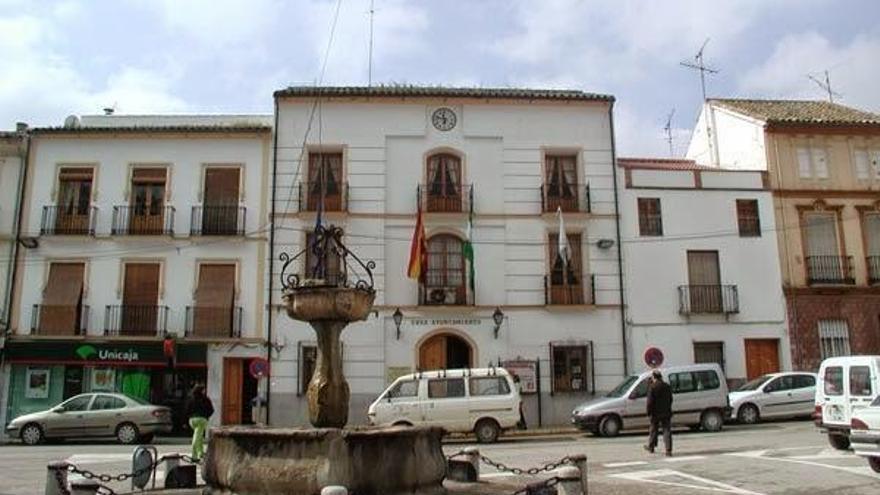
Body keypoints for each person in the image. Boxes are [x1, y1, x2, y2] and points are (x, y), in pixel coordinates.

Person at [644, 369, 673, 456]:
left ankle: (651, 447)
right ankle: (668, 450)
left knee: (653, 430)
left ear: (653, 377)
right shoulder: (667, 386)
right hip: (666, 412)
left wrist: (648, 412)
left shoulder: (652, 387)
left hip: (655, 413)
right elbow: (671, 399)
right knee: (667, 430)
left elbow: (650, 402)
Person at [185, 384, 214, 462]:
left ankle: (197, 454)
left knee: (199, 436)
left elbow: (187, 409)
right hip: (201, 419)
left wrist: (189, 416)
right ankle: (197, 454)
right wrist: (206, 416)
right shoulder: (205, 399)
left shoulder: (191, 399)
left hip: (192, 420)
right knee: (197, 437)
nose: (205, 391)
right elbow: (211, 409)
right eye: (204, 389)